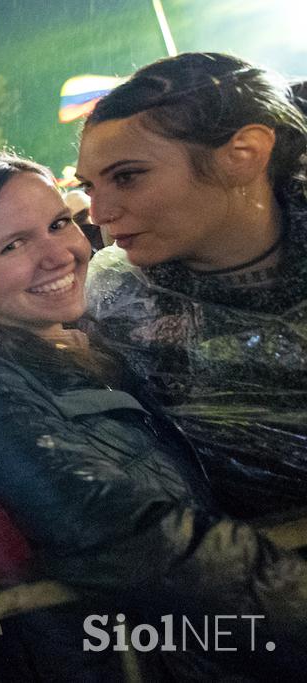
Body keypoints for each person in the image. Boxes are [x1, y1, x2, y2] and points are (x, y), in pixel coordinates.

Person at [0, 154, 307, 677]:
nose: (58, 255)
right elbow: (110, 523)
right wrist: (291, 603)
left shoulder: (102, 331)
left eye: (58, 223)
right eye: (13, 245)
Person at [75, 53, 307, 519]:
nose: (99, 214)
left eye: (127, 176)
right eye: (91, 186)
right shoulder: (115, 295)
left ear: (244, 155)